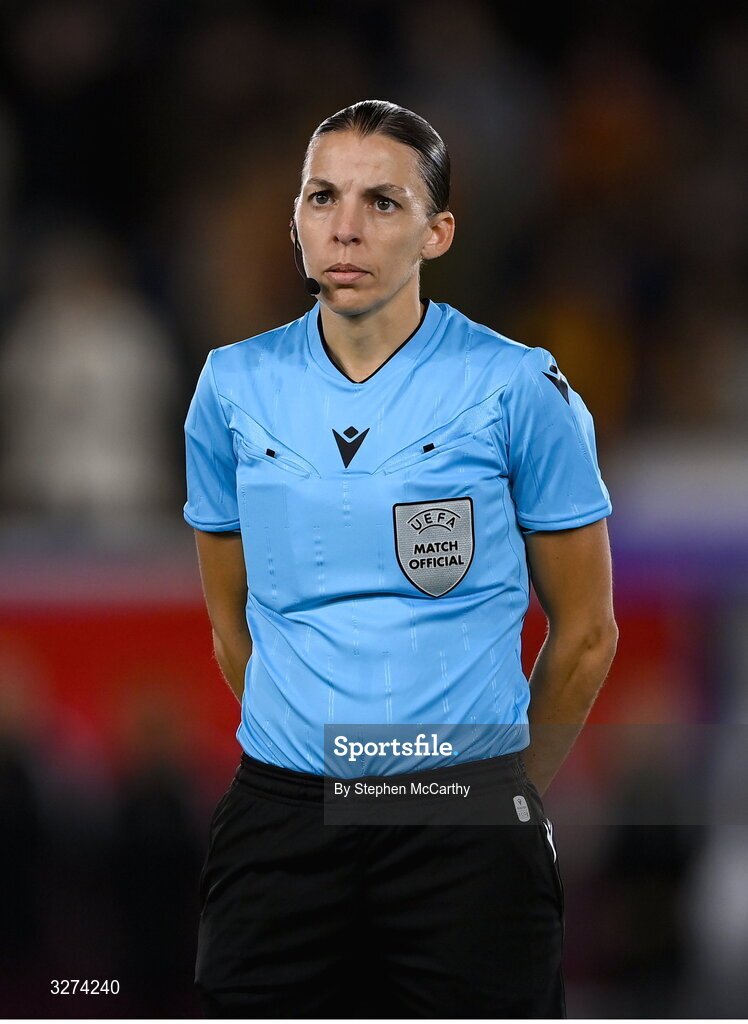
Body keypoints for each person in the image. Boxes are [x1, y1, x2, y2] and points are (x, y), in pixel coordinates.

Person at [184, 99, 618, 1019]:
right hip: (281, 822)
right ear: (294, 218)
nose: (344, 227)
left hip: (465, 824)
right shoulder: (230, 386)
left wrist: (492, 794)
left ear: (438, 232)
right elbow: (231, 625)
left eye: (382, 202)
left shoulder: (516, 386)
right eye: (321, 197)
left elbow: (585, 636)